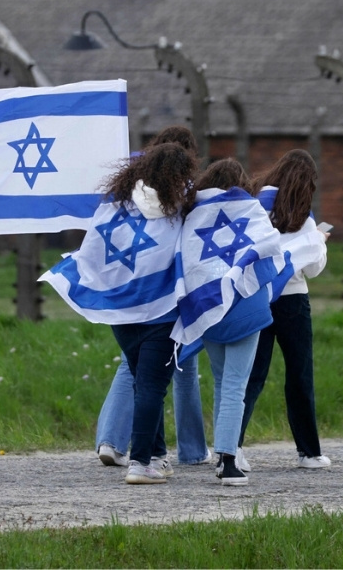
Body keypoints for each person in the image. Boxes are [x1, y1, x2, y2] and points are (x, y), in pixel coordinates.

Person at [43, 143, 197, 484]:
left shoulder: (116, 203)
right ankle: (141, 463)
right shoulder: (182, 208)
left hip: (120, 313)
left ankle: (155, 455)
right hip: (161, 313)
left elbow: (93, 247)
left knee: (145, 385)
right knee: (152, 388)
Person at [95, 125, 209, 468]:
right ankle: (173, 454)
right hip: (166, 306)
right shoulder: (185, 201)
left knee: (136, 374)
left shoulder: (122, 199)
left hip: (125, 304)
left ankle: (114, 441)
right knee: (165, 378)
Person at [172, 158, 286, 485]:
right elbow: (270, 246)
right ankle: (227, 459)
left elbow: (189, 261)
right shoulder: (250, 209)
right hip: (245, 305)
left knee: (223, 382)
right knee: (236, 384)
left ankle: (222, 452)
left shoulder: (193, 216)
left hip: (208, 309)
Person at [238, 149, 331, 470]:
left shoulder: (254, 206)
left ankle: (231, 446)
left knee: (252, 375)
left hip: (256, 298)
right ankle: (309, 452)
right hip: (292, 301)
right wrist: (319, 240)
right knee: (299, 375)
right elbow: (314, 268)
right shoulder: (304, 218)